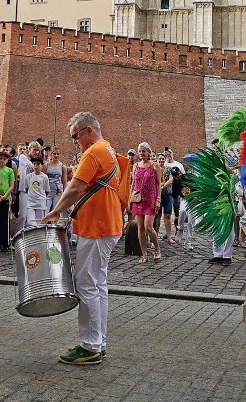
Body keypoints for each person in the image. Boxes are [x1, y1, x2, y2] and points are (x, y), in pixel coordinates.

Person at [42, 111, 124, 365]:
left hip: (96, 227)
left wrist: (55, 212)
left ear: (88, 130)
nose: (75, 142)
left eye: (75, 136)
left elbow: (76, 186)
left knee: (87, 284)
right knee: (98, 284)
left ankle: (90, 346)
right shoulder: (108, 149)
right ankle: (99, 341)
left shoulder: (93, 152)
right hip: (107, 224)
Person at [130, 142, 162, 263]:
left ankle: (157, 249)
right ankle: (144, 253)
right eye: (140, 151)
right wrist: (130, 198)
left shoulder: (155, 166)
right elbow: (133, 183)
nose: (141, 153)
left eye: (143, 151)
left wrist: (158, 199)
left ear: (148, 152)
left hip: (150, 199)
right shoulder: (136, 165)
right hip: (138, 200)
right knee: (140, 227)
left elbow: (159, 184)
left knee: (148, 226)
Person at [23, 156, 49, 222]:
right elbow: (26, 189)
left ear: (41, 166)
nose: (35, 166)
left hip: (40, 203)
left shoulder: (44, 177)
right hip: (30, 203)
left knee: (39, 223)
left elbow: (47, 191)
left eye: (38, 164)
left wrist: (41, 196)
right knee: (31, 222)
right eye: (34, 164)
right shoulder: (28, 176)